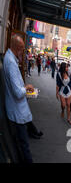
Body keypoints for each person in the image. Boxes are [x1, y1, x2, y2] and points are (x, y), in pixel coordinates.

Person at [3, 35, 35, 163]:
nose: (23, 52)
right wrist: (27, 87)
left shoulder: (10, 59)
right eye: (22, 49)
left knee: (21, 142)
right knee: (24, 145)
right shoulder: (10, 62)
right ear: (18, 48)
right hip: (17, 111)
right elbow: (17, 92)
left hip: (17, 110)